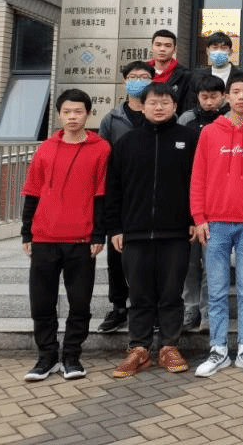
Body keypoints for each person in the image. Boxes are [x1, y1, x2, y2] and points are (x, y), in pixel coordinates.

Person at [105, 83, 198, 378]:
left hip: (177, 232)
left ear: (175, 106)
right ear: (142, 106)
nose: (159, 107)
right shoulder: (127, 143)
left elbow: (199, 184)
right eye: (154, 102)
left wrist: (195, 218)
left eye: (165, 102)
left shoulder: (189, 139)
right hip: (134, 232)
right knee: (140, 293)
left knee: (172, 292)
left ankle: (169, 346)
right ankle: (139, 348)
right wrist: (115, 227)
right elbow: (113, 189)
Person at [21, 89, 110, 382]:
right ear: (59, 114)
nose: (72, 117)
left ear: (88, 114)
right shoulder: (46, 149)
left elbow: (101, 195)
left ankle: (71, 356)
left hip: (81, 239)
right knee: (41, 302)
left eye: (78, 112)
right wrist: (27, 231)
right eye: (67, 112)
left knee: (80, 302)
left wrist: (98, 234)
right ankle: (46, 357)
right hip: (44, 237)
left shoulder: (101, 149)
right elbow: (32, 191)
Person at [190, 74, 243, 378]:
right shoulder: (210, 133)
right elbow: (198, 177)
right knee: (216, 290)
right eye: (236, 91)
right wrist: (199, 217)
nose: (241, 97)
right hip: (215, 224)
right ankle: (218, 349)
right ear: (227, 96)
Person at [96, 60, 154, 335]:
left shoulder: (160, 113)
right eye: (133, 76)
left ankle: (150, 306)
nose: (138, 81)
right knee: (117, 254)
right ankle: (119, 306)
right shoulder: (112, 119)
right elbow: (103, 159)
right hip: (121, 194)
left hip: (153, 193)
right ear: (124, 81)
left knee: (150, 257)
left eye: (144, 76)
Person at [178, 74, 226, 333]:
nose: (209, 102)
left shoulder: (227, 120)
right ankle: (190, 308)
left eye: (214, 97)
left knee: (212, 263)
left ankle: (208, 312)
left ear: (223, 96)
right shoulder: (186, 119)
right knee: (189, 262)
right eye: (204, 97)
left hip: (217, 199)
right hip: (189, 195)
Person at [189, 31, 243, 108]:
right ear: (207, 51)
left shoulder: (241, 77)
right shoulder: (197, 76)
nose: (219, 51)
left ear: (230, 52)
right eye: (215, 48)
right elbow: (192, 102)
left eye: (223, 48)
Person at [148, 29, 191, 110]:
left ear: (175, 49)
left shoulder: (185, 75)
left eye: (167, 46)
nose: (162, 49)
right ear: (152, 47)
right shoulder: (142, 72)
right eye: (158, 45)